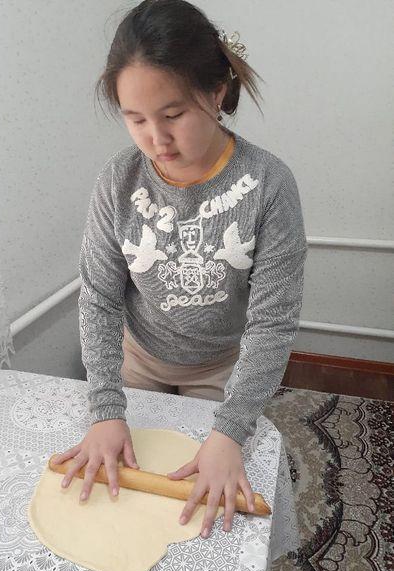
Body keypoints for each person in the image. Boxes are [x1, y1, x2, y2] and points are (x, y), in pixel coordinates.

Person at [51, 0, 307, 540]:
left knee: (204, 510)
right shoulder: (118, 180)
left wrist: (231, 431)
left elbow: (272, 323)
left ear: (216, 93)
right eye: (135, 119)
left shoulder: (269, 184)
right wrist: (105, 409)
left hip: (220, 368)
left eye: (173, 116)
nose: (156, 140)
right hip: (138, 358)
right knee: (115, 501)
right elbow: (99, 297)